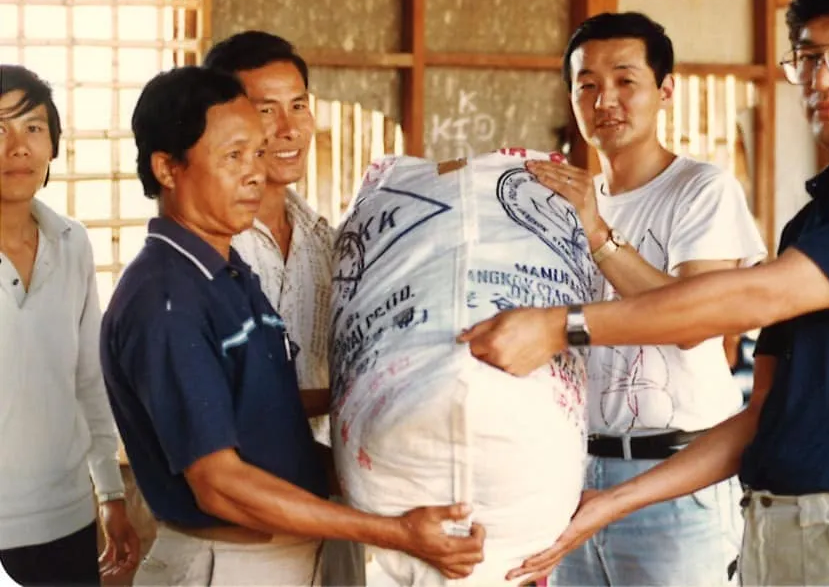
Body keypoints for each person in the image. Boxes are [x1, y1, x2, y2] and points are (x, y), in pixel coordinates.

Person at [460, 0, 829, 587]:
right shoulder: (812, 223)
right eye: (806, 58)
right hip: (769, 528)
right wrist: (608, 505)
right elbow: (761, 415)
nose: (821, 79)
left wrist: (563, 327)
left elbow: (750, 297)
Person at [100, 66, 484, 585]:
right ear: (168, 168)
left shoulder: (228, 273)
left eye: (258, 153)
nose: (255, 173)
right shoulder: (167, 299)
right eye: (233, 156)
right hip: (226, 566)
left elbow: (257, 406)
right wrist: (392, 530)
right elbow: (222, 485)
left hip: (281, 559)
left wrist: (394, 406)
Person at [521, 12, 764, 586]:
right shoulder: (565, 201)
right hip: (574, 477)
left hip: (676, 480)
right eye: (587, 85)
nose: (606, 98)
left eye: (625, 80)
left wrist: (600, 234)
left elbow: (693, 322)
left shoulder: (702, 189)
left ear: (665, 90)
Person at [204, 31, 365, 586]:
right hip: (245, 532)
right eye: (265, 110)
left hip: (331, 515)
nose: (290, 128)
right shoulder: (208, 251)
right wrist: (357, 397)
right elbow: (229, 406)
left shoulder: (329, 240)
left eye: (299, 105)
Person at [0, 65, 139, 585]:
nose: (18, 147)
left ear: (53, 145)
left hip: (66, 515)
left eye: (33, 128)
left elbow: (88, 378)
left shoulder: (71, 242)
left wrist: (109, 492)